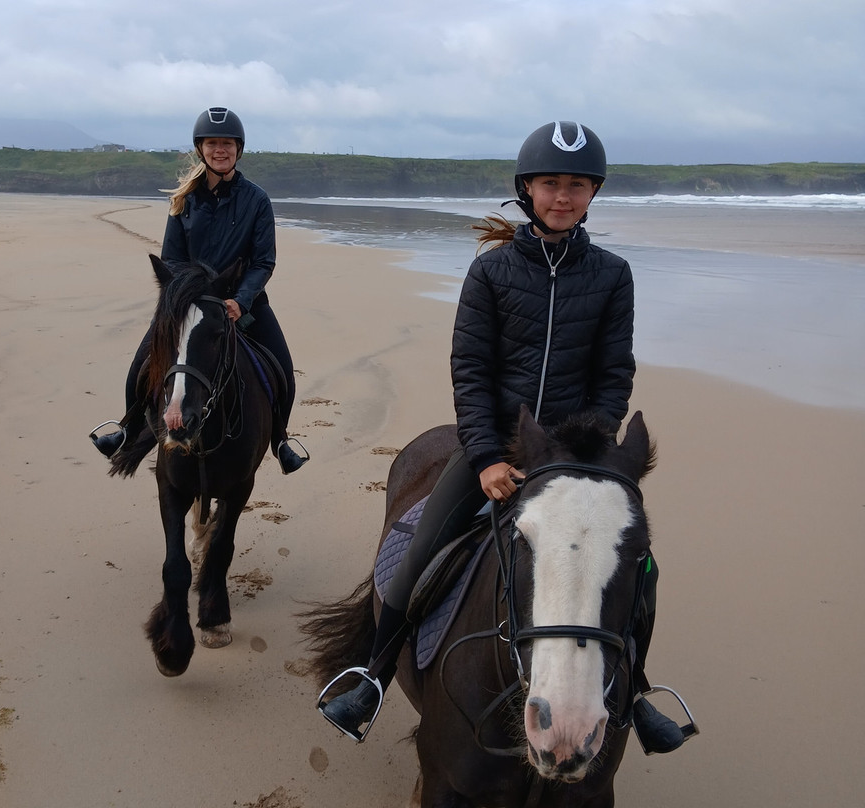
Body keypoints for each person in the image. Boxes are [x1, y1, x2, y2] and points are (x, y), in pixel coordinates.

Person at [318, 121, 687, 753]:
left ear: (592, 193)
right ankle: (373, 677)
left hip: (572, 460)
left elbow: (613, 374)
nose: (562, 196)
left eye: (576, 185)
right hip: (493, 450)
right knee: (418, 557)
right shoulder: (491, 273)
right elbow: (471, 371)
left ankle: (638, 687)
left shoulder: (613, 275)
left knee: (639, 570)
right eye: (550, 184)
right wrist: (487, 455)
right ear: (527, 189)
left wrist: (581, 460)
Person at [91, 107, 308, 475]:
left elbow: (263, 262)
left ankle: (281, 441)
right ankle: (127, 429)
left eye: (226, 144)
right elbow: (172, 258)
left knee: (283, 368)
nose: (219, 150)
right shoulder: (184, 199)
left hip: (241, 301)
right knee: (140, 367)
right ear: (200, 148)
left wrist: (240, 300)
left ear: (238, 149)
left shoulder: (257, 200)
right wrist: (185, 298)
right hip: (190, 307)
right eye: (212, 144)